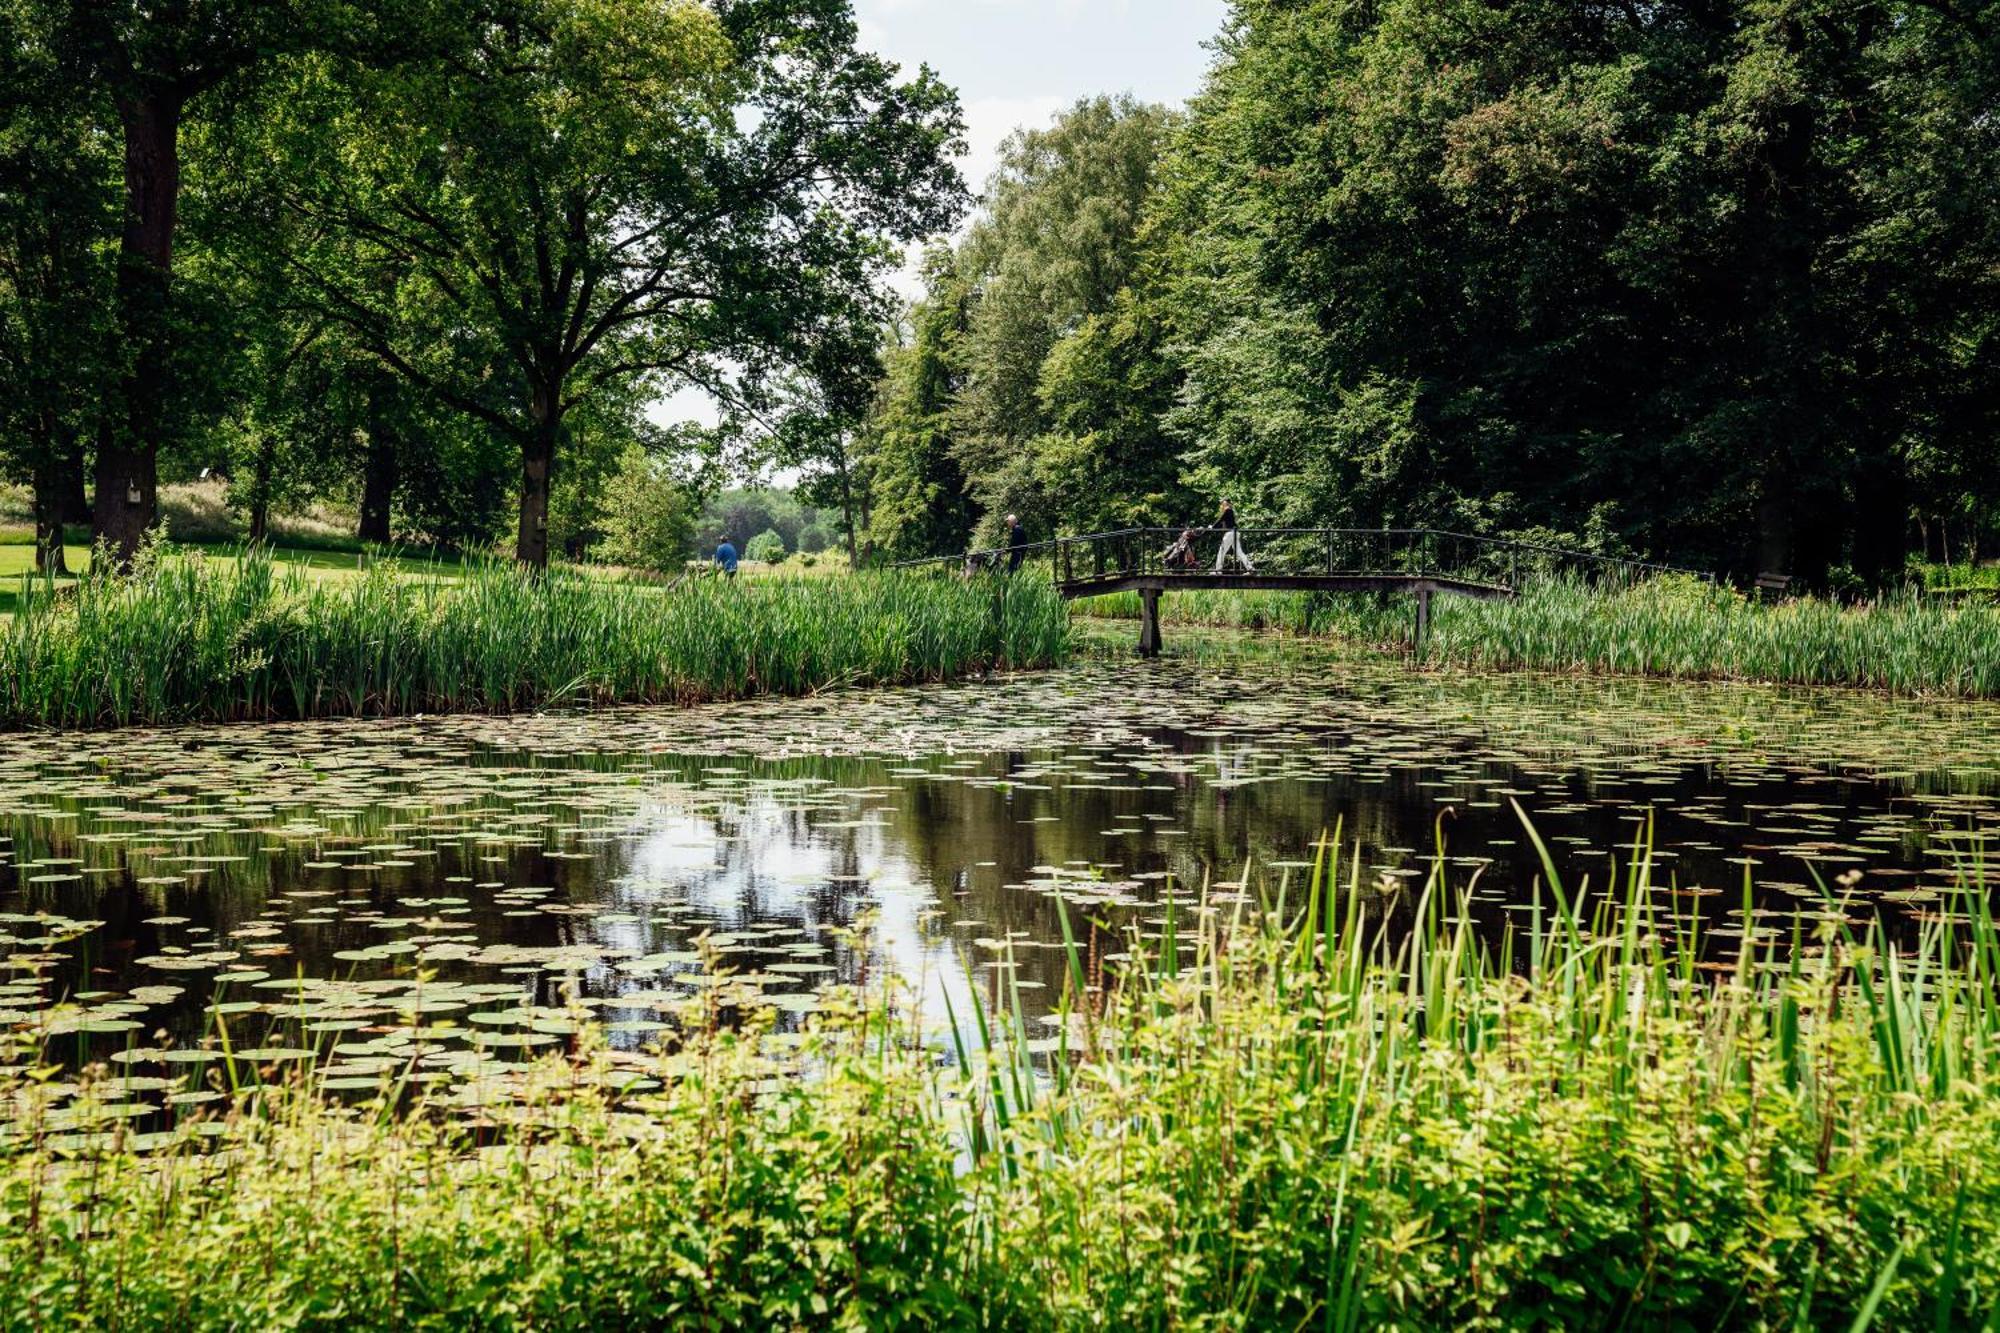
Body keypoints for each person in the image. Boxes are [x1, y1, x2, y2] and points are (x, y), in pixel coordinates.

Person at [1213, 499, 1254, 572]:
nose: (1222, 504)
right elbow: (1223, 521)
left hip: (1230, 533)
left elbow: (1220, 520)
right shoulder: (1230, 511)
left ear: (1227, 503)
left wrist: (1212, 527)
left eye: (1223, 503)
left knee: (1221, 551)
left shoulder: (1228, 510)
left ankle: (1218, 570)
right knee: (1239, 552)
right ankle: (1250, 568)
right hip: (1234, 532)